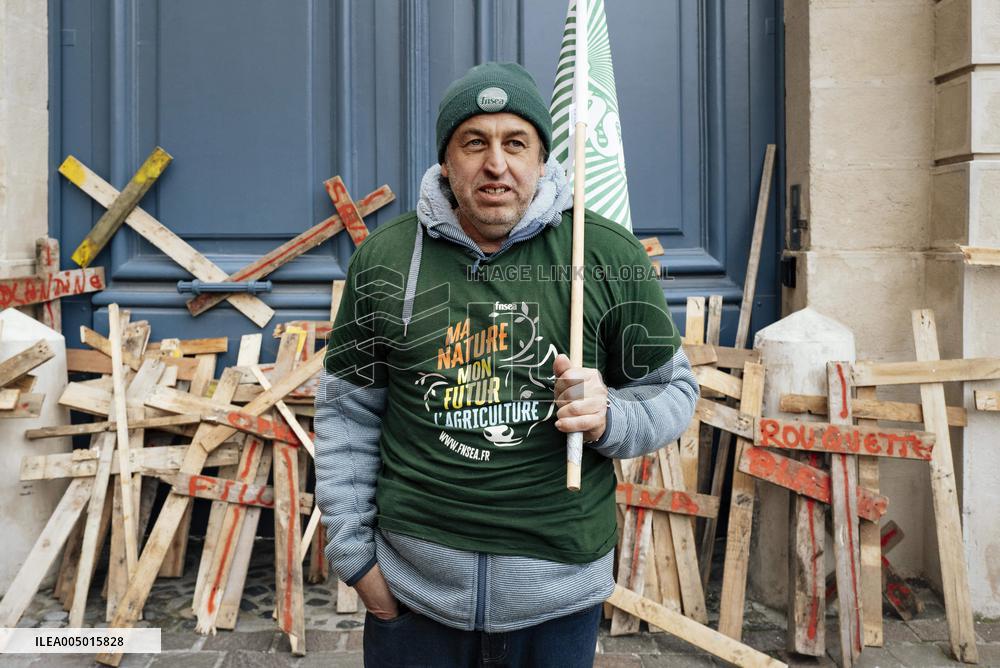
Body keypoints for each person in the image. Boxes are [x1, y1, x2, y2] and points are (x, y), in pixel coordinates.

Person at [314, 62, 699, 667]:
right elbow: (347, 414)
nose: (496, 163)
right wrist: (356, 561)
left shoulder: (603, 253)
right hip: (414, 600)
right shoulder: (386, 258)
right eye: (475, 143)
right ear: (447, 161)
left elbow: (673, 392)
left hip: (557, 598)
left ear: (544, 160)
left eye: (515, 143)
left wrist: (609, 417)